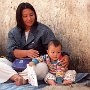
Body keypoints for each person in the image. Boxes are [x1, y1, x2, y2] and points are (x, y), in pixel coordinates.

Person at [0, 2, 69, 86]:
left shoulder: (44, 31)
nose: (29, 18)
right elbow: (11, 51)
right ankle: (17, 77)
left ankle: (14, 76)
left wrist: (65, 56)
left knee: (43, 68)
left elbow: (54, 48)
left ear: (35, 15)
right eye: (25, 16)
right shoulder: (13, 32)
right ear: (19, 18)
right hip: (15, 63)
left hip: (35, 65)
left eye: (31, 15)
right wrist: (26, 52)